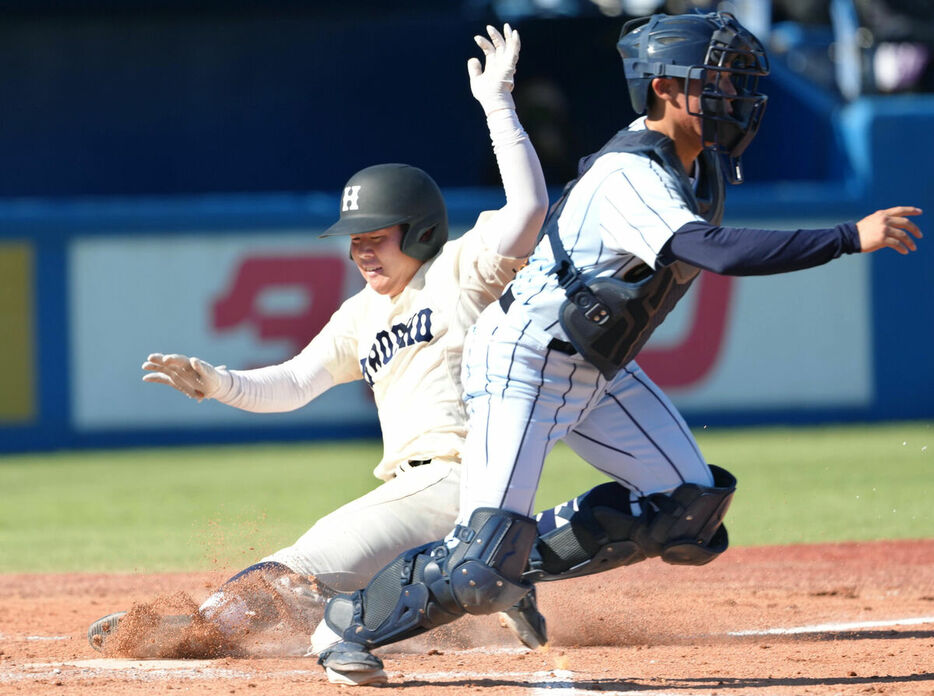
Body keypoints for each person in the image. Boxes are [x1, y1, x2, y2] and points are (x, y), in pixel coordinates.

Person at [310, 10, 924, 686]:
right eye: (716, 78)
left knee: (688, 512)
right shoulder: (630, 170)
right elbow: (709, 251)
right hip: (526, 360)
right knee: (477, 571)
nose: (732, 93)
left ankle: (511, 561)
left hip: (596, 366)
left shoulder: (699, 167)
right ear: (663, 86)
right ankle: (348, 623)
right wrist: (845, 236)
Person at [86, 23, 550, 658]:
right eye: (353, 238)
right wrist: (217, 382)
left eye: (372, 235)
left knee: (305, 560)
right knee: (334, 603)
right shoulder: (360, 314)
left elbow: (526, 210)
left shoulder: (461, 269)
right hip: (435, 500)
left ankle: (195, 629)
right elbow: (295, 382)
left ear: (418, 233)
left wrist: (497, 103)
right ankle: (492, 585)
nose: (359, 249)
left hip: (462, 477)